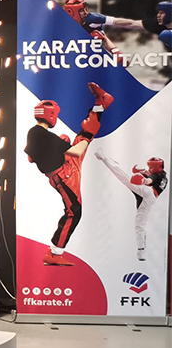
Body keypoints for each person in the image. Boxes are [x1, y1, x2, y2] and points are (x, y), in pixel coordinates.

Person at [24, 82, 113, 266]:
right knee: (74, 212)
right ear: (51, 115)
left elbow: (31, 158)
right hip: (64, 175)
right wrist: (86, 140)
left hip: (63, 169)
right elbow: (77, 151)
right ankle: (54, 253)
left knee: (83, 135)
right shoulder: (44, 135)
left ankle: (101, 104)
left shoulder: (34, 133)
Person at [95, 152, 165, 261]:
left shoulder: (157, 175)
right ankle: (141, 251)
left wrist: (143, 180)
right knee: (139, 225)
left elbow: (150, 180)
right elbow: (149, 175)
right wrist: (141, 172)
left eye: (151, 167)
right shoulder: (163, 175)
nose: (149, 169)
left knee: (125, 178)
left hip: (148, 192)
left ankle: (105, 158)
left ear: (156, 167)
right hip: (151, 199)